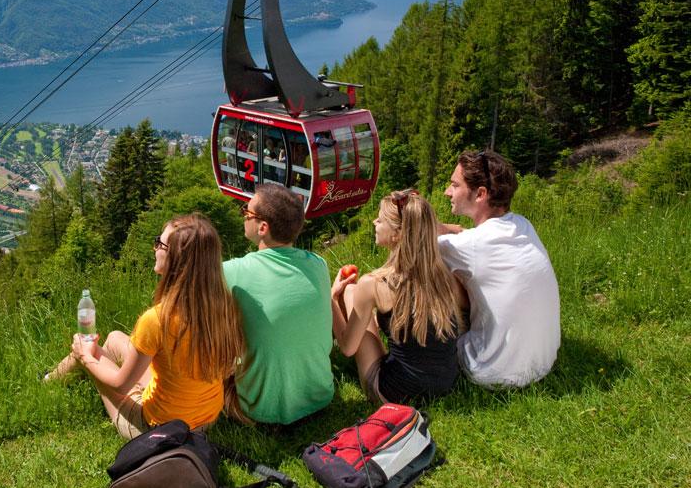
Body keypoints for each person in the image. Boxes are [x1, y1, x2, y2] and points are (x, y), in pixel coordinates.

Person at [49, 214, 244, 439]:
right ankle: (51, 377)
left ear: (175, 258)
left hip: (159, 428)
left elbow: (120, 385)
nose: (155, 248)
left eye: (159, 244)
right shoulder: (224, 307)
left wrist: (86, 358)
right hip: (205, 420)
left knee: (87, 346)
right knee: (113, 338)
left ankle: (48, 382)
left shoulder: (157, 320)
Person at [331, 189, 469, 406]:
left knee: (350, 292)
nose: (375, 221)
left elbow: (348, 348)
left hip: (395, 393)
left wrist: (332, 300)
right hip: (445, 386)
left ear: (397, 234)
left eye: (381, 219)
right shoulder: (446, 278)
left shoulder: (374, 284)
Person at [439, 150, 560, 388]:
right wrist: (446, 227)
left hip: (489, 371)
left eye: (454, 185)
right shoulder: (523, 225)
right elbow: (470, 237)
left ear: (480, 194)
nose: (447, 192)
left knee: (435, 268)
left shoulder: (471, 246)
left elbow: (416, 245)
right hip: (543, 363)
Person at [223, 183, 334, 425]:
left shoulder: (234, 271)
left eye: (247, 213)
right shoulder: (319, 264)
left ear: (263, 227)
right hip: (319, 397)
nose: (243, 216)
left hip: (259, 408)